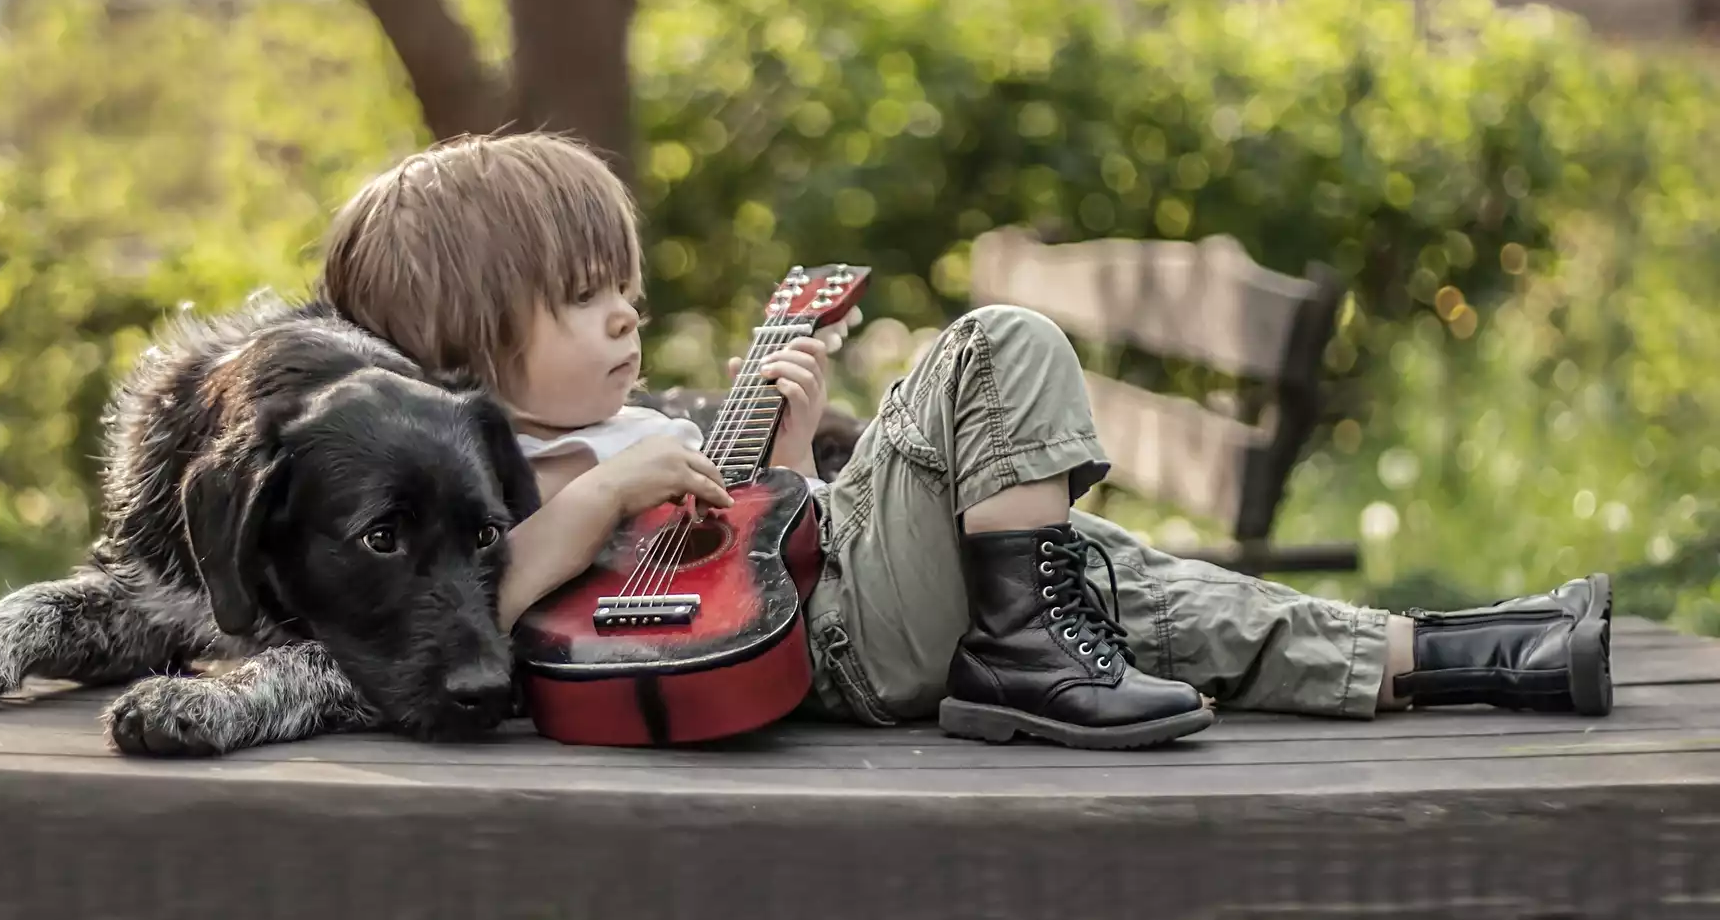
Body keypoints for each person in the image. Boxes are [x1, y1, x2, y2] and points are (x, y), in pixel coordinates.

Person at [316, 132, 1615, 750]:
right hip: (832, 649)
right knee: (995, 348)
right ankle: (1026, 654)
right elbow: (467, 613)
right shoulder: (483, 474)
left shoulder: (626, 426)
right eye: (581, 297)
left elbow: (748, 559)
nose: (624, 314)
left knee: (1119, 579)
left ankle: (1481, 656)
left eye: (627, 289)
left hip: (815, 624)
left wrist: (784, 460)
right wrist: (606, 497)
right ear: (464, 345)